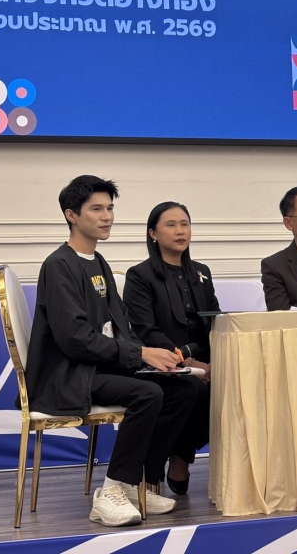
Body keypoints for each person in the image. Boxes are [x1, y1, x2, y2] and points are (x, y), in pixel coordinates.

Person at [25, 176, 196, 527]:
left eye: (110, 208)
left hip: (99, 366)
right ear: (72, 215)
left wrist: (151, 355)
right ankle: (112, 490)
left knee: (185, 388)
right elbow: (74, 338)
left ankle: (137, 483)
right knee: (147, 394)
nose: (107, 216)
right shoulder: (59, 265)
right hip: (69, 375)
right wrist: (140, 356)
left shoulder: (98, 261)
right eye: (97, 209)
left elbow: (120, 328)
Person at [124, 202, 219, 496]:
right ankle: (177, 460)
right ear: (153, 233)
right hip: (161, 363)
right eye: (171, 225)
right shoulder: (140, 275)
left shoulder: (202, 273)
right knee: (194, 389)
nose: (180, 231)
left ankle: (181, 455)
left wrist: (218, 362)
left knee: (236, 385)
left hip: (204, 361)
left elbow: (215, 322)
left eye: (185, 224)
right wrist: (188, 363)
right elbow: (145, 330)